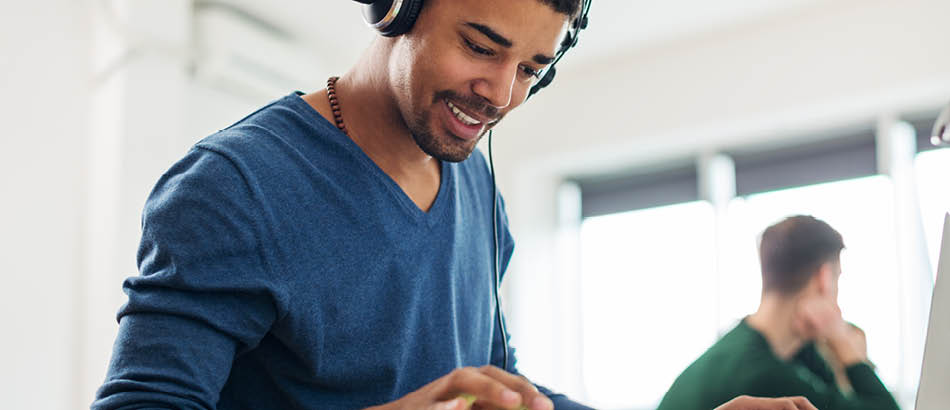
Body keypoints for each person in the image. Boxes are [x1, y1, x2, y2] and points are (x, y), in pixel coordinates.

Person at [91, 1, 818, 409]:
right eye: (481, 47)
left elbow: (502, 395)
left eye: (532, 68)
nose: (501, 95)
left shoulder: (473, 185)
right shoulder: (235, 187)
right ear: (395, 8)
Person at [657, 215, 901, 410]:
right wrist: (846, 349)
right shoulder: (759, 372)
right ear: (823, 279)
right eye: (837, 278)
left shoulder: (757, 348)